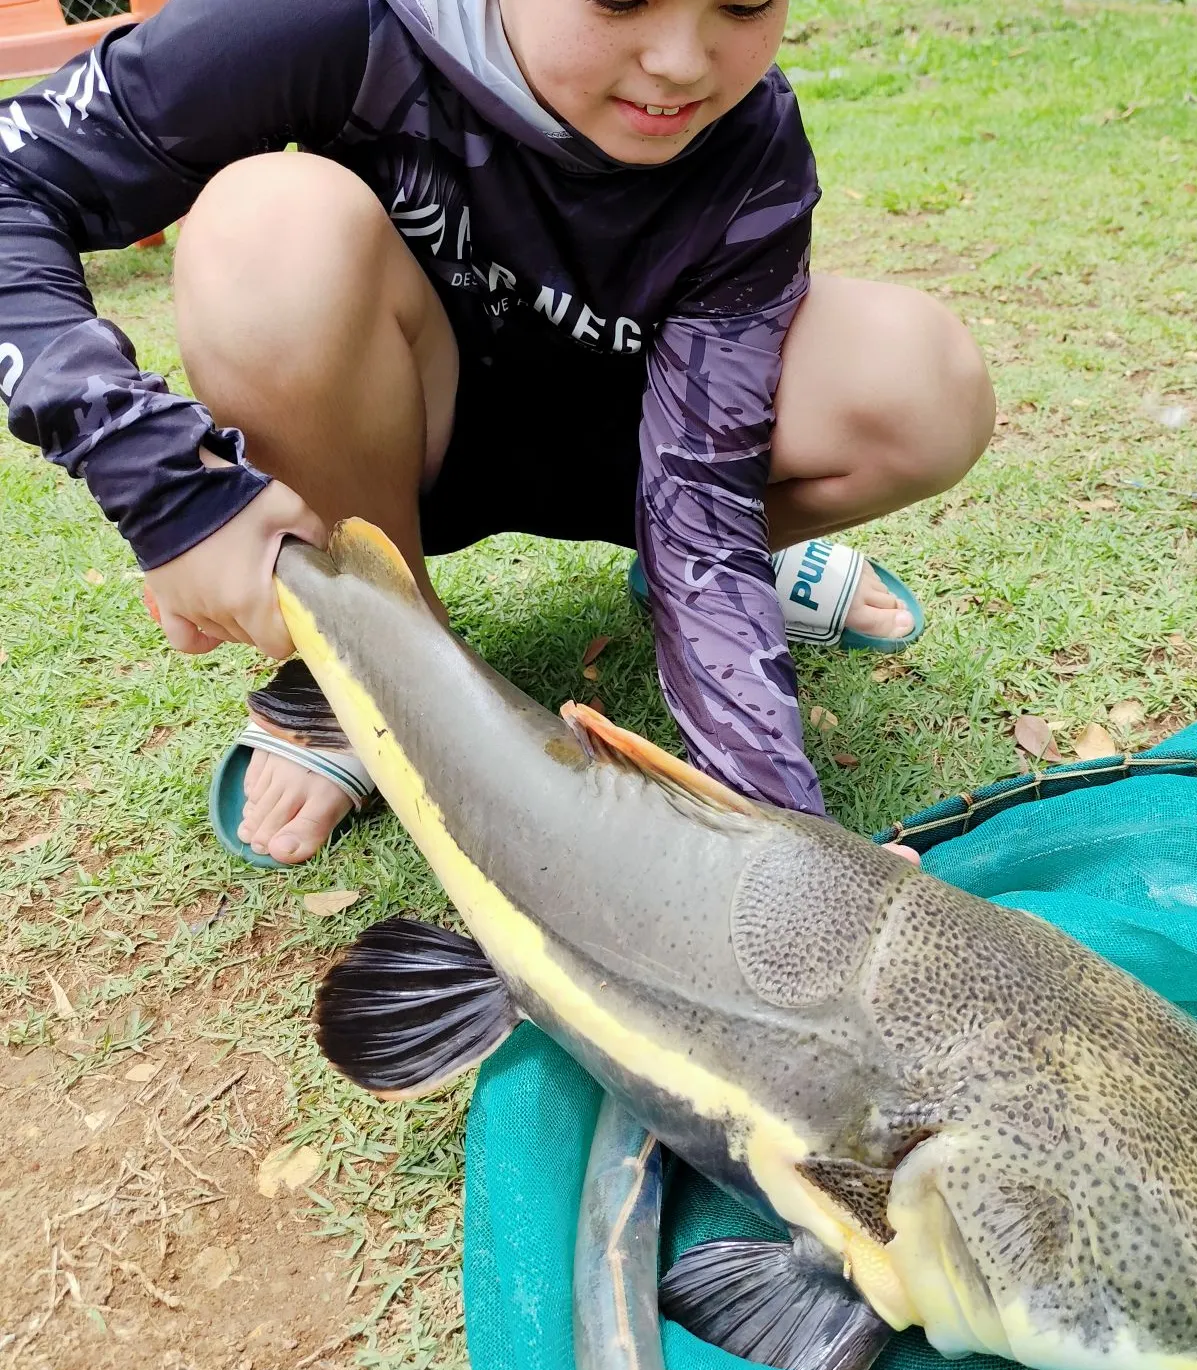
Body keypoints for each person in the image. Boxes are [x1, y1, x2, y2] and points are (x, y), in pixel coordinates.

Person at [0, 0, 993, 866]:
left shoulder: (750, 139)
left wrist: (779, 833)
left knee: (924, 382)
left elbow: (703, 467)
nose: (685, 60)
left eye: (742, 2)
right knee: (262, 224)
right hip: (394, 445)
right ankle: (380, 667)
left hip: (646, 458)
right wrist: (168, 486)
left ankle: (696, 590)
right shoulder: (329, 22)